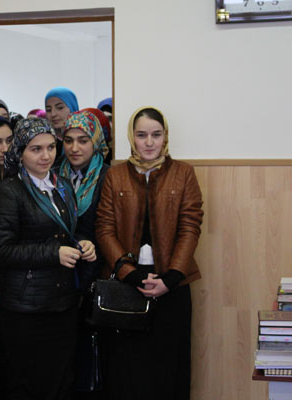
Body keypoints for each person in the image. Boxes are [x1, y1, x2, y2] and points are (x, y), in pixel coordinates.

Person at [95, 106, 203, 400]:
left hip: (172, 282)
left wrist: (172, 277)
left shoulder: (183, 173)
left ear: (165, 136)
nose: (149, 142)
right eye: (141, 135)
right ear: (132, 137)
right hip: (126, 283)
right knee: (127, 368)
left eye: (156, 134)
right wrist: (129, 275)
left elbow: (190, 226)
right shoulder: (115, 175)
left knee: (169, 367)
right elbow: (104, 228)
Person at [0, 117, 97, 400]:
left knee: (60, 380)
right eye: (36, 149)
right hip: (26, 305)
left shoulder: (62, 186)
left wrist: (83, 244)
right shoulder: (8, 191)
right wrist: (53, 253)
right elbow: (2, 249)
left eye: (50, 147)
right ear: (20, 152)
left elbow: (64, 233)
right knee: (27, 382)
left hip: (63, 302)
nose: (46, 155)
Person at [57, 110, 110, 398]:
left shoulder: (108, 176)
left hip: (94, 275)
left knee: (90, 359)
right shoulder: (54, 174)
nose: (74, 148)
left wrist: (92, 246)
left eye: (83, 140)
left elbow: (110, 228)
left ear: (96, 142)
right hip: (59, 275)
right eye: (68, 140)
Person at [45, 87, 79, 166]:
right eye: (48, 110)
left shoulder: (87, 138)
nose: (53, 114)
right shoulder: (45, 143)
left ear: (72, 107)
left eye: (60, 108)